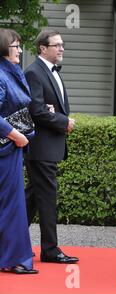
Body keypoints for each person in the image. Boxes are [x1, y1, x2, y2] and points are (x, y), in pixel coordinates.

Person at [24, 29, 78, 264]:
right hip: (41, 147)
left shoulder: (50, 71)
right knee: (46, 197)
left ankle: (7, 239)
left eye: (62, 44)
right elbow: (36, 110)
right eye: (56, 45)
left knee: (32, 198)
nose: (61, 48)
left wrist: (54, 113)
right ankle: (50, 250)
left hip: (48, 146)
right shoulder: (34, 73)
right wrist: (64, 121)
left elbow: (49, 107)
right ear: (42, 48)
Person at [0, 28, 38, 274]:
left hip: (11, 147)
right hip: (6, 148)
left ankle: (12, 255)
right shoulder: (1, 74)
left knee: (10, 203)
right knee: (12, 204)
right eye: (16, 46)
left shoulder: (8, 72)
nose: (20, 50)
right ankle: (14, 259)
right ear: (4, 48)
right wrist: (16, 135)